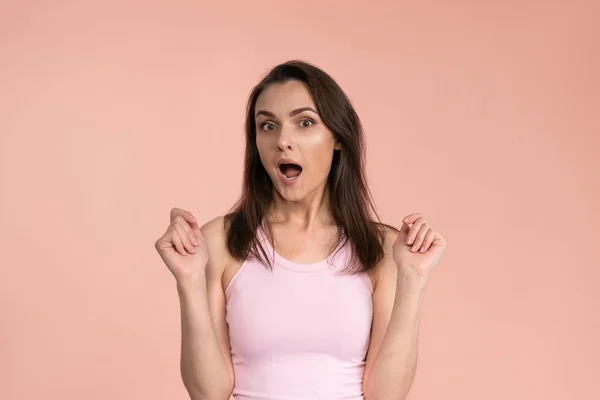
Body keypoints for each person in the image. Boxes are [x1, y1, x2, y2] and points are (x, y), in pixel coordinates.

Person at [155, 60, 447, 400]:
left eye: (304, 122)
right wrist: (188, 280)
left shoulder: (382, 248)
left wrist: (413, 279)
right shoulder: (220, 241)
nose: (282, 141)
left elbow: (386, 395)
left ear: (337, 137)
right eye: (267, 126)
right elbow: (208, 394)